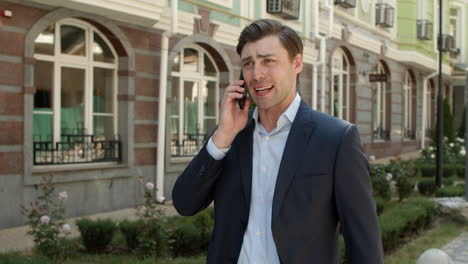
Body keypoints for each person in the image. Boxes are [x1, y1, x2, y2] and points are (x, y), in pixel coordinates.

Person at [172, 19, 383, 264]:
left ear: (297, 63)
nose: (257, 74)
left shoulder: (336, 139)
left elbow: (365, 245)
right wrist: (223, 135)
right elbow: (185, 204)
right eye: (248, 64)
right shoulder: (230, 137)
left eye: (268, 61)